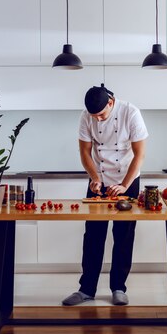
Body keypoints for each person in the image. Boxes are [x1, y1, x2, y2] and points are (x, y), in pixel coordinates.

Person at [62, 84, 148, 306]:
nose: (97, 120)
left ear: (111, 102)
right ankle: (86, 289)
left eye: (101, 114)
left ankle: (119, 287)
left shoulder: (131, 113)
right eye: (94, 116)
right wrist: (95, 178)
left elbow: (140, 154)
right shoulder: (86, 117)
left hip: (127, 178)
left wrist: (124, 185)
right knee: (93, 235)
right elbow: (85, 152)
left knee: (123, 235)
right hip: (99, 178)